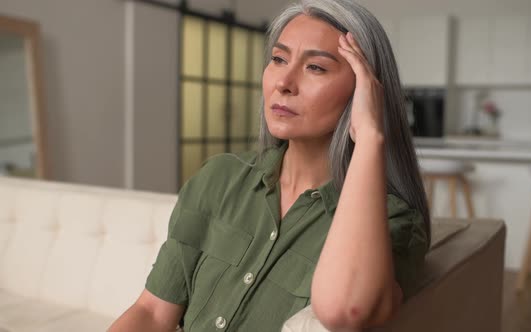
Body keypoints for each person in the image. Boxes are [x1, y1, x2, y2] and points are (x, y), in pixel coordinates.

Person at [109, 0, 430, 331]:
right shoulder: (219, 178)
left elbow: (345, 310)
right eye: (278, 59)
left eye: (315, 67)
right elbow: (151, 312)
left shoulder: (394, 222)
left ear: (365, 91)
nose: (284, 83)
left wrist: (370, 136)